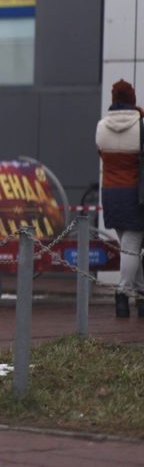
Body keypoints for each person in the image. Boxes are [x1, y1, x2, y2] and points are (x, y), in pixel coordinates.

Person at [95, 79, 144, 317]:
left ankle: (141, 296)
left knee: (128, 245)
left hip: (111, 193)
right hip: (135, 194)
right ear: (132, 99)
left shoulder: (101, 126)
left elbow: (101, 153)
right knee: (132, 248)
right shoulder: (141, 124)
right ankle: (122, 295)